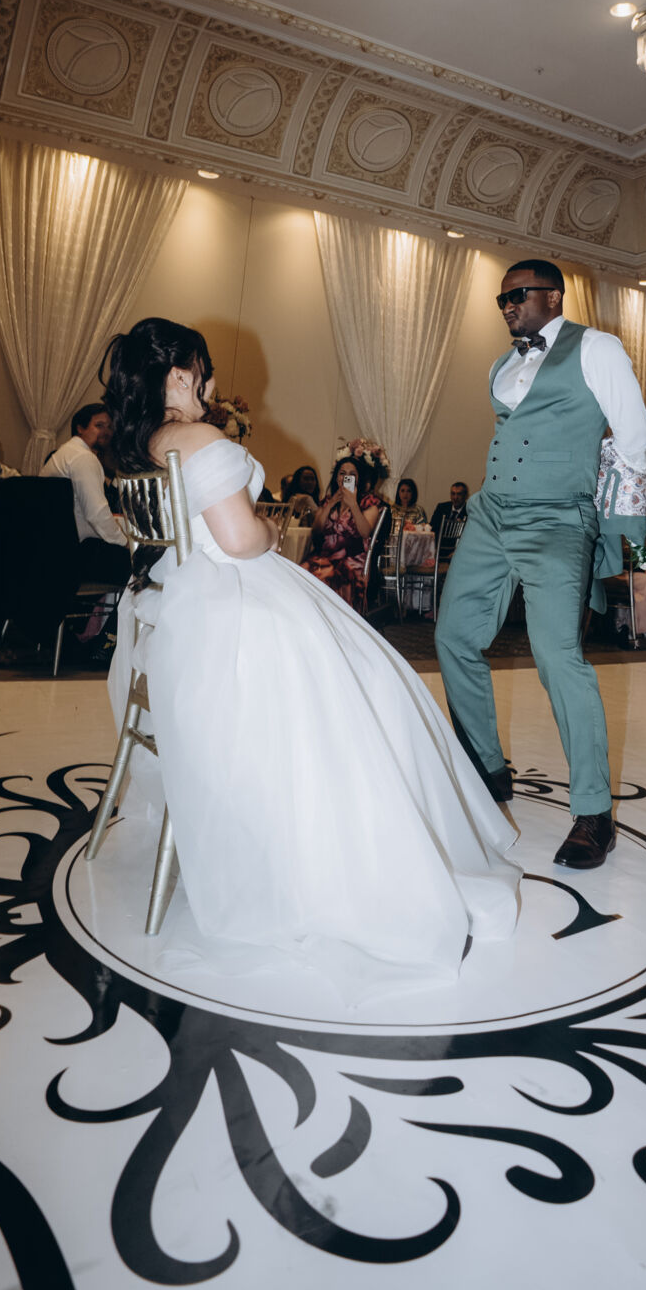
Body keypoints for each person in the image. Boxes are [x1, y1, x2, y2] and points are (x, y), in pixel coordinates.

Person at [100, 317, 519, 987]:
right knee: (364, 680)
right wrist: (271, 529)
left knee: (359, 672)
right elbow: (238, 540)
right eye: (202, 369)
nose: (210, 381)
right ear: (177, 373)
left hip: (172, 612)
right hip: (228, 603)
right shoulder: (198, 438)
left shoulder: (145, 444)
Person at [435, 259, 646, 872]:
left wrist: (640, 555)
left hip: (558, 518)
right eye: (501, 299)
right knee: (453, 637)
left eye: (518, 295)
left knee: (558, 657)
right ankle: (487, 768)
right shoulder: (500, 365)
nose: (507, 306)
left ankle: (594, 815)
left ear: (553, 296)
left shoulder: (598, 348)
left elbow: (634, 445)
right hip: (491, 515)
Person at [40, 403, 130, 587]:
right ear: (80, 428)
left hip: (53, 548)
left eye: (109, 427)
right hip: (76, 553)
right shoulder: (83, 457)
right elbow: (96, 514)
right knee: (145, 565)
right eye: (99, 425)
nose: (106, 432)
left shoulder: (66, 453)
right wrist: (125, 543)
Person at [305, 453, 384, 608]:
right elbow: (317, 529)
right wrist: (331, 503)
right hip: (325, 558)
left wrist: (353, 504)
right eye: (342, 473)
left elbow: (365, 532)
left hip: (352, 562)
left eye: (352, 474)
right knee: (301, 573)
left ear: (358, 479)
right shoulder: (328, 501)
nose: (346, 477)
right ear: (336, 478)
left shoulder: (368, 502)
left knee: (323, 576)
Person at [430, 482, 471, 546]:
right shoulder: (441, 508)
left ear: (466, 496)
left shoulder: (469, 512)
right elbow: (432, 527)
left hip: (458, 547)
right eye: (453, 494)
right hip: (437, 545)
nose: (455, 497)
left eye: (459, 494)